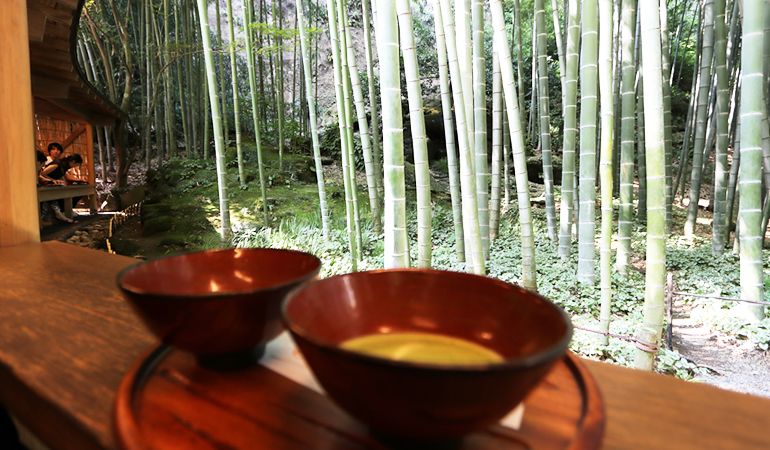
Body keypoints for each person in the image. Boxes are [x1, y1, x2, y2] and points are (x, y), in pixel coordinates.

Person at [36, 150, 74, 225]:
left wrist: (52, 181)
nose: (41, 169)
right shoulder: (56, 164)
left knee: (51, 194)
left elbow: (40, 177)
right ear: (38, 162)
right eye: (42, 165)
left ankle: (56, 215)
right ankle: (50, 217)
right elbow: (43, 174)